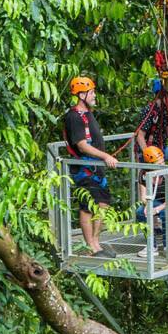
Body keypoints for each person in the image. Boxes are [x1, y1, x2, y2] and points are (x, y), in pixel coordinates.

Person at [63, 76, 119, 257]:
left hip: (97, 168)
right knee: (87, 207)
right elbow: (81, 145)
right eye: (92, 92)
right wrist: (105, 156)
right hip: (84, 169)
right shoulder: (74, 117)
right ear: (81, 94)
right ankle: (90, 246)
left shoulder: (88, 113)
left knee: (103, 204)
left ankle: (97, 243)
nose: (94, 95)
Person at [135, 78, 168, 162]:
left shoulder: (165, 111)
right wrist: (149, 154)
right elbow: (140, 136)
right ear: (162, 95)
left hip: (162, 150)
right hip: (149, 153)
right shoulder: (149, 110)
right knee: (160, 162)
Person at [134, 145, 168, 258]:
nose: (162, 165)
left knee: (166, 213)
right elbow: (143, 197)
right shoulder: (143, 174)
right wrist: (148, 206)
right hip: (154, 201)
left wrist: (157, 209)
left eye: (162, 161)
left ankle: (167, 246)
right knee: (140, 212)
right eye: (158, 163)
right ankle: (151, 245)